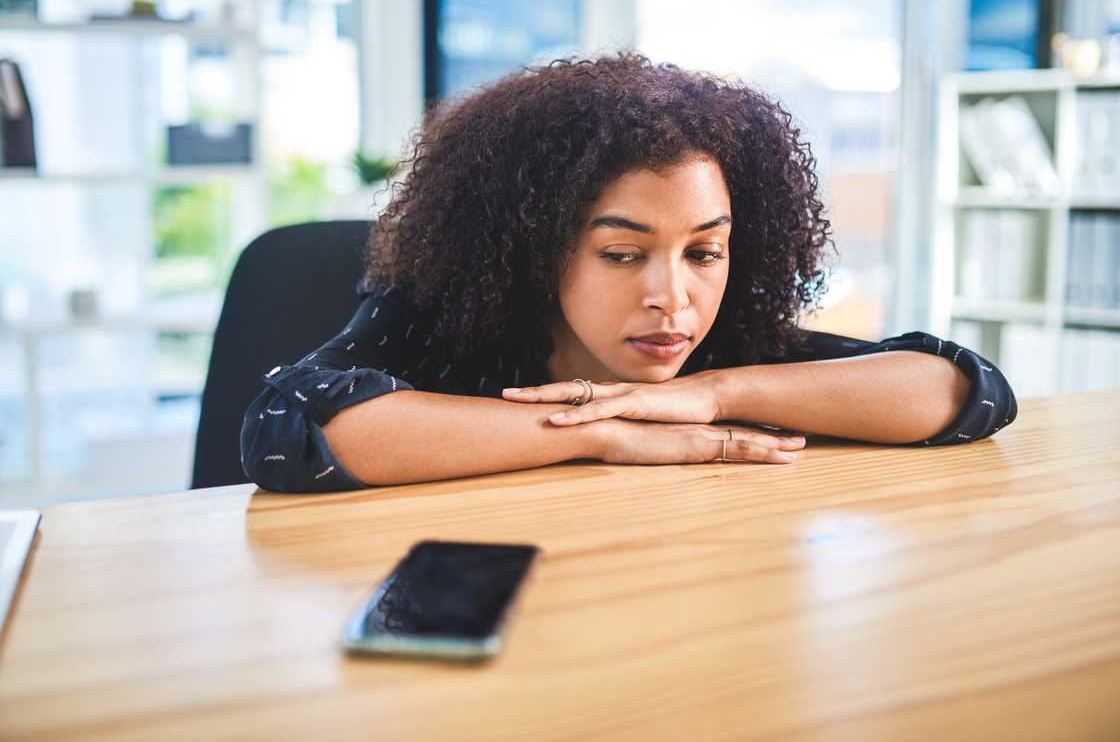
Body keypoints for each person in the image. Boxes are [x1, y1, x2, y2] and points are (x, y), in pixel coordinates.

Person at [240, 53, 1016, 493]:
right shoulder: (437, 313)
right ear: (534, 248)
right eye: (622, 252)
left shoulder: (723, 340)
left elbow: (962, 390)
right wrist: (604, 434)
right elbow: (287, 428)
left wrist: (710, 393)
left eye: (704, 250)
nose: (672, 296)